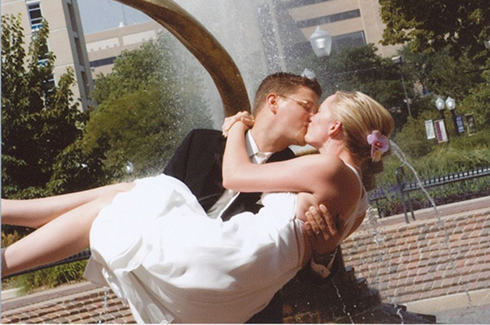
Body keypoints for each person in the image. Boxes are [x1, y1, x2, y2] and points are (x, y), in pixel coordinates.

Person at [1, 90, 394, 324]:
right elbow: (315, 247)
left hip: (233, 258)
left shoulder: (328, 167)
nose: (312, 116)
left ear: (335, 128)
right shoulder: (357, 197)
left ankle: (7, 233)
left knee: (140, 195)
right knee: (127, 196)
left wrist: (237, 124)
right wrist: (324, 254)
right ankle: (6, 222)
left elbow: (235, 176)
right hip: (245, 284)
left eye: (319, 111)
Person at [164, 71, 327, 324]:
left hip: (251, 311)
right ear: (273, 102)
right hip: (176, 299)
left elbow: (301, 273)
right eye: (307, 106)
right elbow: (159, 207)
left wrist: (324, 253)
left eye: (317, 111)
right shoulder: (201, 143)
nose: (313, 117)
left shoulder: (300, 175)